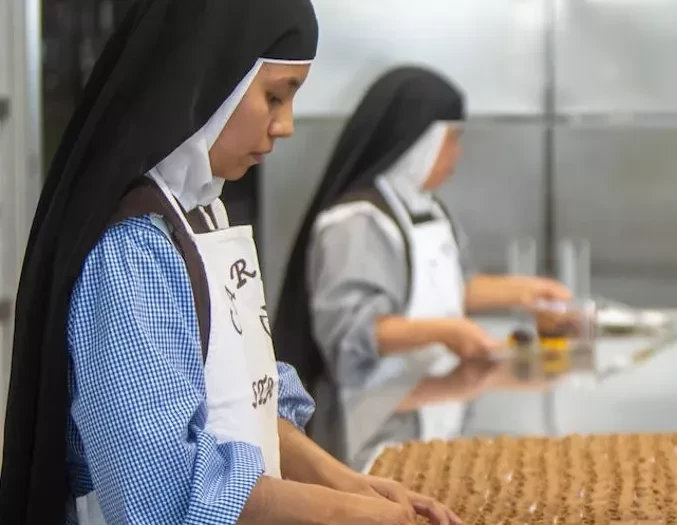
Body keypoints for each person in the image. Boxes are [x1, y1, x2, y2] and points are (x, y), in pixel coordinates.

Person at [0, 1, 458, 523]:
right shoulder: (132, 250)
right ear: (211, 82)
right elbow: (160, 490)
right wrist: (342, 514)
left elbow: (250, 400)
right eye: (274, 96)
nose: (285, 125)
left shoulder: (202, 214)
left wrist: (352, 486)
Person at [273, 66, 571, 463]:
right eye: (452, 139)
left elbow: (455, 288)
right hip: (368, 425)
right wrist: (447, 332)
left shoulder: (428, 209)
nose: (457, 154)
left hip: (431, 397)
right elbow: (350, 334)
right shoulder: (356, 224)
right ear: (419, 143)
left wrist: (528, 292)